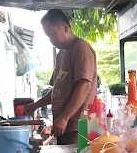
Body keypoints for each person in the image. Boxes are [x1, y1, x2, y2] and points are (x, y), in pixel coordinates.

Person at [26, 10, 97, 145]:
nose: (51, 40)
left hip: (78, 126)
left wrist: (64, 118)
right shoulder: (60, 55)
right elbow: (58, 90)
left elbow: (84, 85)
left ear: (65, 28)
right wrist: (35, 105)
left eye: (52, 34)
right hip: (63, 126)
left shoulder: (81, 48)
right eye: (48, 36)